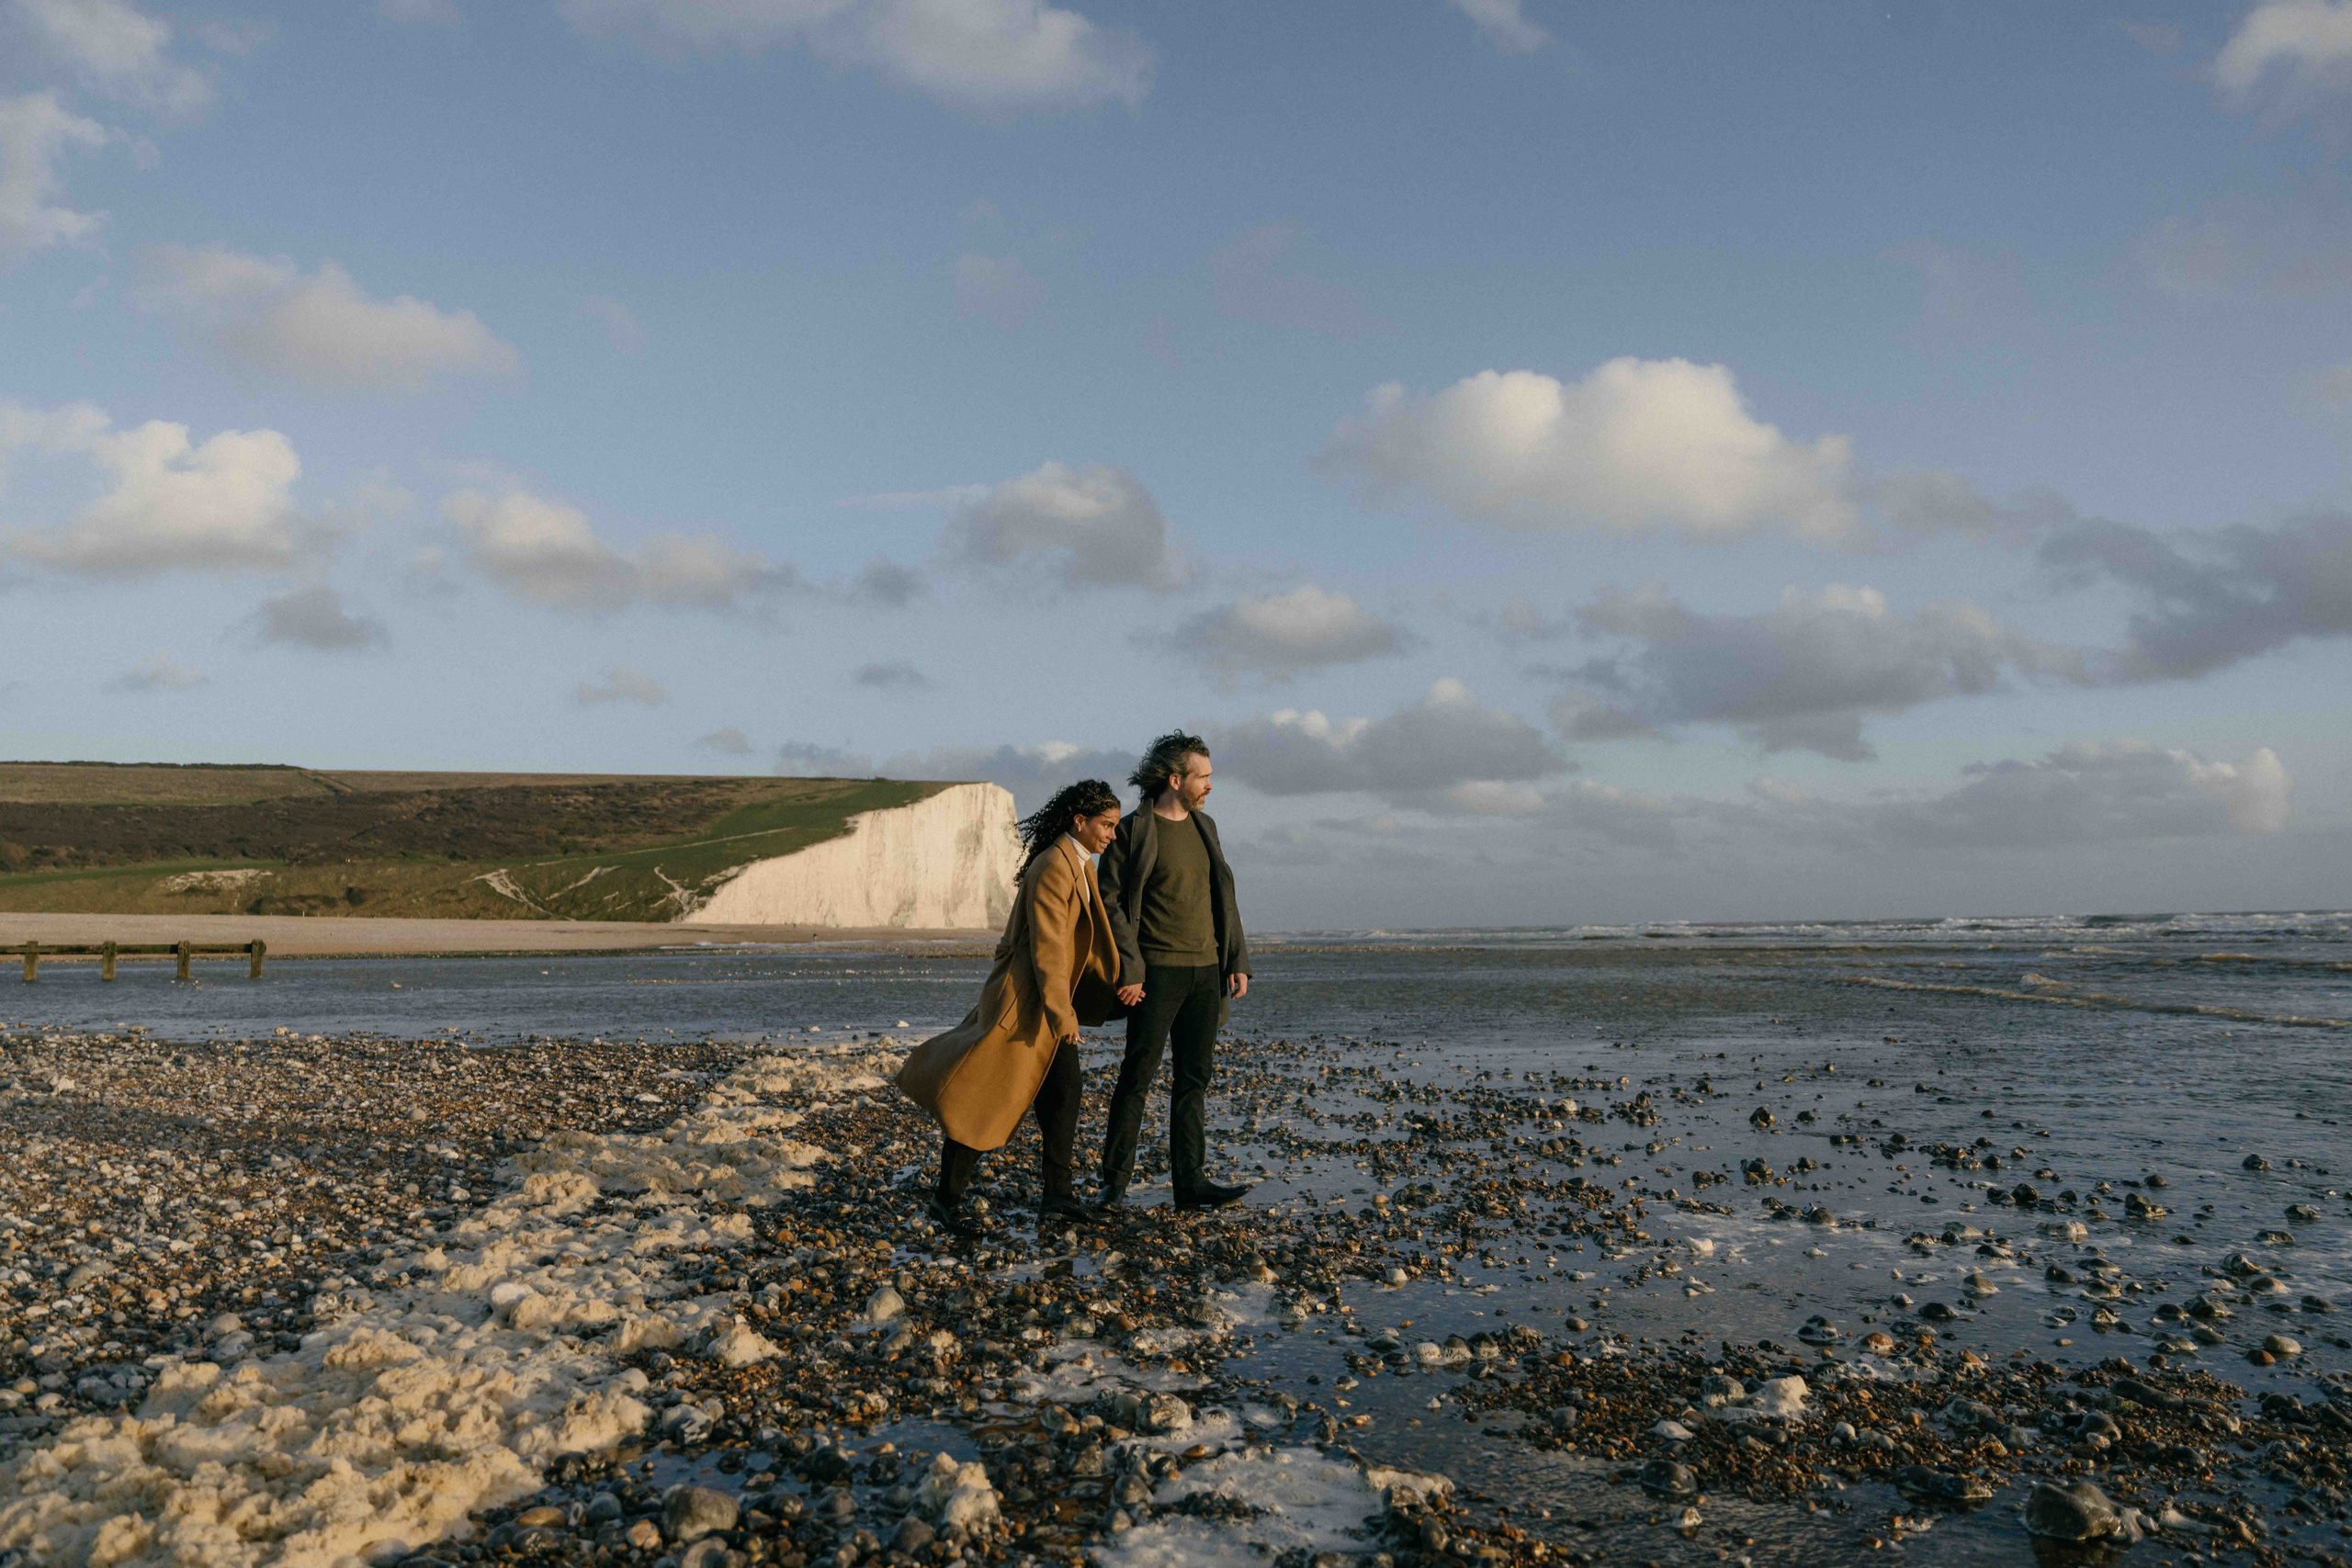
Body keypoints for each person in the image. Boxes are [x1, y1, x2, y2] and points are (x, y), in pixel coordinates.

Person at [894, 780, 1123, 1230]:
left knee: (1063, 1095)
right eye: (1106, 825)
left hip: (1044, 1001)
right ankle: (946, 1198)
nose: (1112, 835)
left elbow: (1081, 941)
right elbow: (1049, 948)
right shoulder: (1056, 866)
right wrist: (1063, 1013)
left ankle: (1057, 1196)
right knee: (991, 1095)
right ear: (1080, 822)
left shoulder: (1076, 862)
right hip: (1027, 1004)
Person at [1094, 730, 1252, 1212]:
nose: (1210, 785)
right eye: (1203, 776)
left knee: (1193, 1082)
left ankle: (1191, 1183)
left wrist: (1237, 960)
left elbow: (1223, 895)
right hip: (1155, 975)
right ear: (1175, 778)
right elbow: (1110, 902)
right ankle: (1114, 1184)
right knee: (1137, 1077)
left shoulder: (1207, 828)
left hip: (1206, 972)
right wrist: (1131, 967)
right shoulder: (1133, 830)